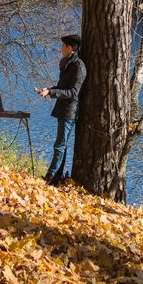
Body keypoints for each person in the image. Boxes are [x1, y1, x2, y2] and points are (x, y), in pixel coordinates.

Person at [38, 34, 86, 185]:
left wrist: (51, 93)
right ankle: (55, 179)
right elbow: (62, 86)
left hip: (70, 111)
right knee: (61, 145)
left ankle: (49, 178)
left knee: (59, 145)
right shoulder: (66, 63)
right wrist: (49, 90)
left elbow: (73, 92)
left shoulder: (78, 66)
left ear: (69, 48)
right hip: (62, 108)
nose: (61, 49)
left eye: (63, 46)